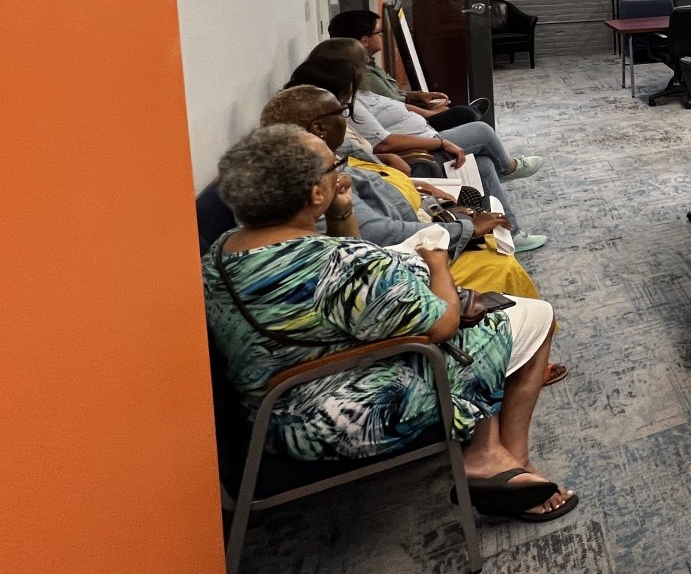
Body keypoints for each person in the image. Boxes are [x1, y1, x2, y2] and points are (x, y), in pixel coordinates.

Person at [204, 124, 577, 521]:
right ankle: (496, 460)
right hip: (345, 417)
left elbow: (346, 269)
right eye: (335, 166)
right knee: (531, 316)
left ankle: (492, 451)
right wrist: (435, 261)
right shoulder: (343, 267)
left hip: (273, 411)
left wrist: (343, 209)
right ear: (315, 193)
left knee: (477, 321)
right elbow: (442, 324)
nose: (343, 173)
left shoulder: (221, 252)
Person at [256, 88, 563, 385]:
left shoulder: (311, 173)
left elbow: (371, 225)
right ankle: (520, 362)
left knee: (480, 178)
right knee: (498, 262)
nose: (347, 121)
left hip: (410, 241)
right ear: (318, 129)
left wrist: (434, 203)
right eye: (342, 114)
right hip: (408, 271)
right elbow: (379, 236)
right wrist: (457, 234)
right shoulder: (322, 187)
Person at [288, 50, 544, 249]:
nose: (346, 114)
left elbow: (374, 157)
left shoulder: (331, 143)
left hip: (408, 182)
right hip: (415, 170)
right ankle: (507, 174)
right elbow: (380, 230)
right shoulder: (328, 173)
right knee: (479, 134)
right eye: (343, 109)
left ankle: (509, 226)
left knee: (481, 155)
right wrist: (462, 227)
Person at [303, 38, 542, 185]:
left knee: (482, 163)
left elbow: (396, 101)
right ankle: (508, 167)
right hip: (420, 150)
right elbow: (382, 146)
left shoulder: (355, 92)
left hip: (424, 133)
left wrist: (426, 112)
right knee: (479, 128)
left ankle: (510, 231)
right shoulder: (346, 106)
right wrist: (439, 143)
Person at [325, 8, 484, 127]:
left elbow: (391, 94)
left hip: (411, 113)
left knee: (466, 115)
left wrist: (417, 96)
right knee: (467, 115)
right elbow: (394, 105)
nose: (381, 36)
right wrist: (431, 113)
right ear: (365, 40)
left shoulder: (368, 64)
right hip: (406, 122)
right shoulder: (361, 74)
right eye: (379, 32)